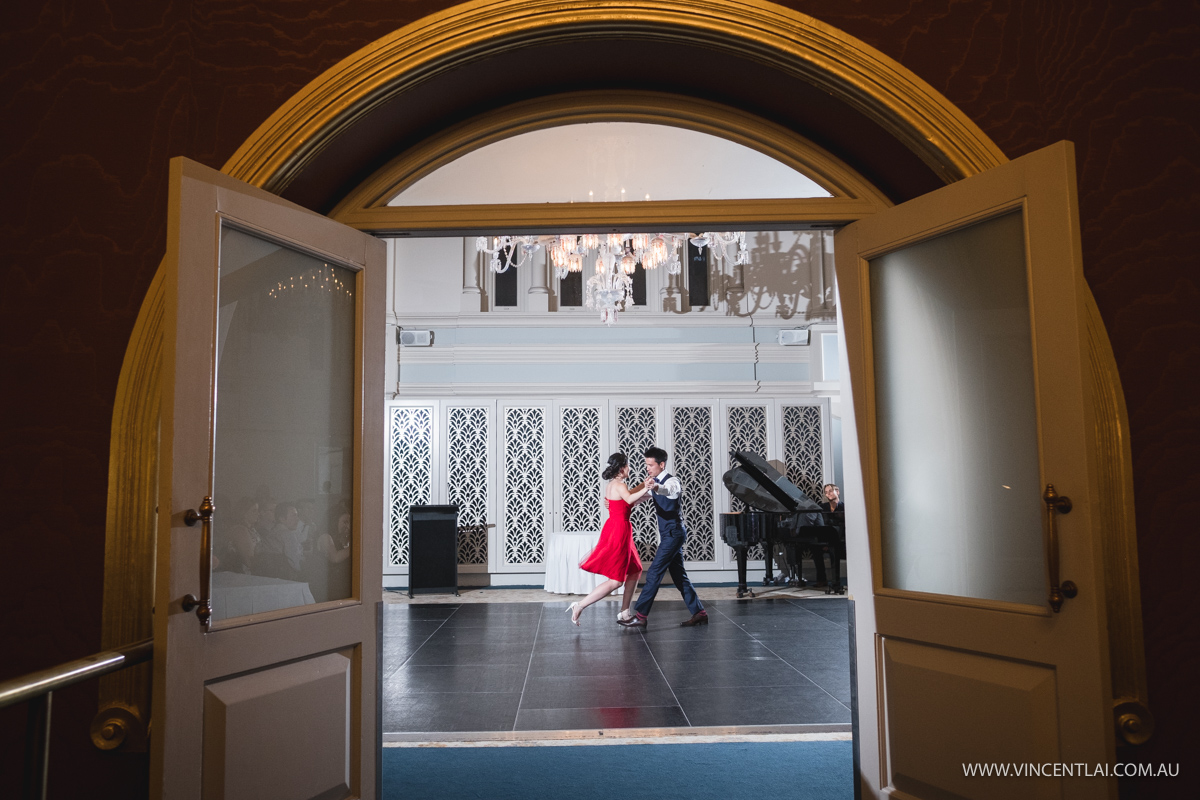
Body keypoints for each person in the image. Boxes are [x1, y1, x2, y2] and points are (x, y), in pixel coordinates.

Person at [618, 447, 708, 629]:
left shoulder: (672, 482)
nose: (647, 468)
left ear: (661, 464)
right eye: (646, 465)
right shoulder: (652, 482)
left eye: (650, 465)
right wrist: (615, 502)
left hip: (674, 534)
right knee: (679, 576)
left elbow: (668, 491)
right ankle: (700, 613)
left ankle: (641, 616)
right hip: (669, 535)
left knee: (653, 572)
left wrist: (655, 487)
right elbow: (635, 499)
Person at [568, 453, 651, 625]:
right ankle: (580, 605)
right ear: (622, 468)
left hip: (618, 528)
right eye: (628, 466)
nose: (630, 468)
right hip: (619, 531)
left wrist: (644, 485)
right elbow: (629, 498)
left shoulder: (614, 484)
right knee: (616, 581)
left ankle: (625, 612)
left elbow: (627, 499)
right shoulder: (620, 485)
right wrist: (647, 487)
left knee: (635, 570)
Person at [311, 510, 352, 602]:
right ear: (334, 521)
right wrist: (356, 546)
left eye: (349, 522)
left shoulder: (340, 538)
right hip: (325, 586)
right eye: (345, 522)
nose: (348, 526)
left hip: (338, 584)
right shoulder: (324, 536)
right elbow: (335, 557)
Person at [811, 483, 844, 588]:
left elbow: (844, 528)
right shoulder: (822, 507)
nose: (828, 494)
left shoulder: (844, 507)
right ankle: (822, 580)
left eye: (830, 491)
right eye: (826, 492)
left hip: (840, 540)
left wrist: (830, 543)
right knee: (815, 549)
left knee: (835, 550)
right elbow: (821, 526)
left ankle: (836, 581)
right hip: (825, 540)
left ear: (837, 492)